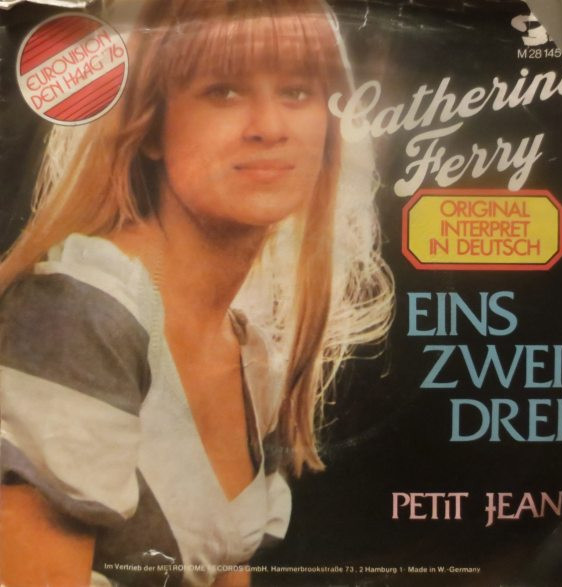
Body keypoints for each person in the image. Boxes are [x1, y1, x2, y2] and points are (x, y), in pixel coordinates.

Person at [0, 0, 393, 585]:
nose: (270, 126)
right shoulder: (80, 314)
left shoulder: (250, 352)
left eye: (297, 91)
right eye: (224, 91)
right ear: (151, 127)